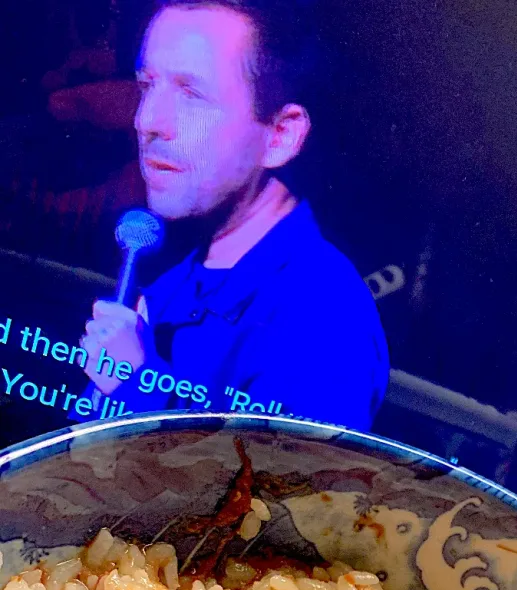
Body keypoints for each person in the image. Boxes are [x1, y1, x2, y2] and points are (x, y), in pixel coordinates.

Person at [78, 0, 388, 430]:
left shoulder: (321, 316)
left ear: (280, 136)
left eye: (192, 94)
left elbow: (275, 495)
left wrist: (139, 384)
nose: (147, 120)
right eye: (147, 86)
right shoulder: (175, 280)